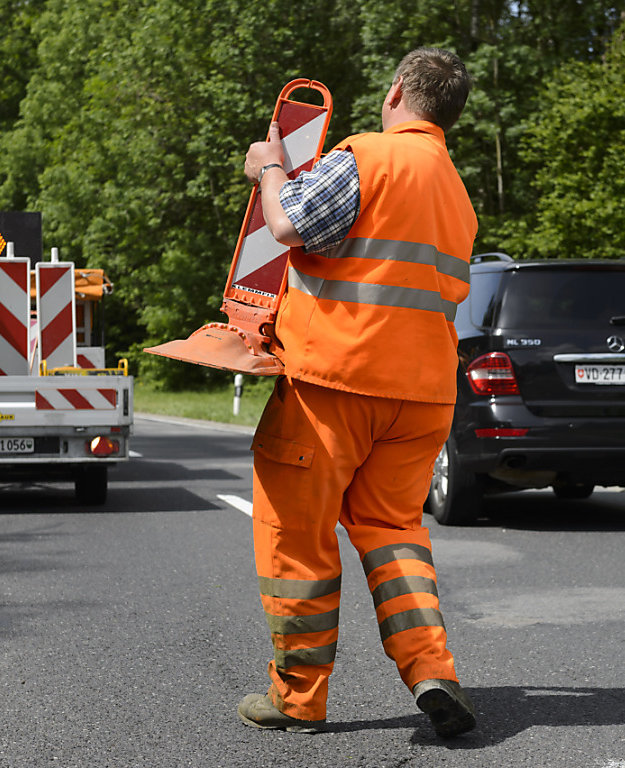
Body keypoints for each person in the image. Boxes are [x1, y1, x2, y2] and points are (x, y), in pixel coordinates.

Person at [238, 47, 478, 738]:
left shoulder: (368, 156)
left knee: (297, 537)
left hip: (335, 382)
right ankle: (431, 670)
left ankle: (298, 698)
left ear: (397, 91)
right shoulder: (456, 191)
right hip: (423, 394)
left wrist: (270, 167)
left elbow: (288, 224)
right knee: (395, 532)